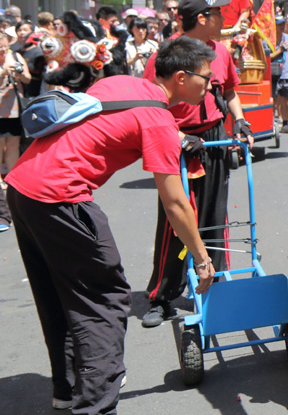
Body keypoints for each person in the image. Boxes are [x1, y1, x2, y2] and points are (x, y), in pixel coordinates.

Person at [7, 36, 217, 415]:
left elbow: (110, 121)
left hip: (23, 188)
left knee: (59, 294)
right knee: (105, 301)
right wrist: (201, 259)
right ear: (182, 78)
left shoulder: (121, 84)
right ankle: (96, 406)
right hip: (62, 197)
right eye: (207, 77)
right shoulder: (159, 121)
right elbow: (174, 203)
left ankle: (68, 390)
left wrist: (180, 137)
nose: (211, 84)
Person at [140, 0, 255, 328]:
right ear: (202, 19)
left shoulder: (221, 51)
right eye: (219, 14)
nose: (225, 20)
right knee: (176, 219)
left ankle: (213, 283)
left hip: (214, 137)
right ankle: (162, 294)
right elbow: (150, 108)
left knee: (215, 215)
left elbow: (230, 91)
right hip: (177, 141)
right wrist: (178, 138)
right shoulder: (166, 56)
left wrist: (240, 119)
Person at [0, 25, 30, 173]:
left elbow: (28, 79)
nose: (3, 50)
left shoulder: (16, 57)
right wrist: (3, 72)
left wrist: (19, 74)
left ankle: (12, 176)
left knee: (13, 142)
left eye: (5, 47)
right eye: (0, 47)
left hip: (14, 108)